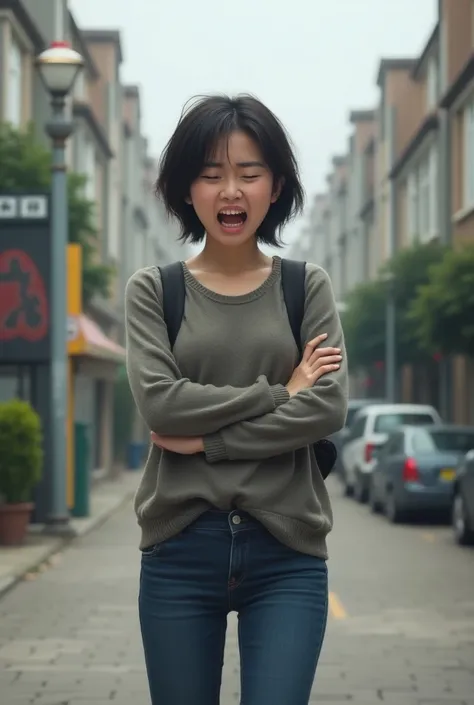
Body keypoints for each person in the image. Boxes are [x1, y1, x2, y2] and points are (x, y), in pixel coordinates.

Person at [125, 93, 348, 705]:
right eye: (211, 174)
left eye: (249, 174)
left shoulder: (305, 287)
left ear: (274, 187)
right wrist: (282, 392)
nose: (231, 191)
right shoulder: (154, 291)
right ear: (185, 190)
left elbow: (326, 409)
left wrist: (209, 442)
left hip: (287, 551)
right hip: (179, 549)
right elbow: (162, 407)